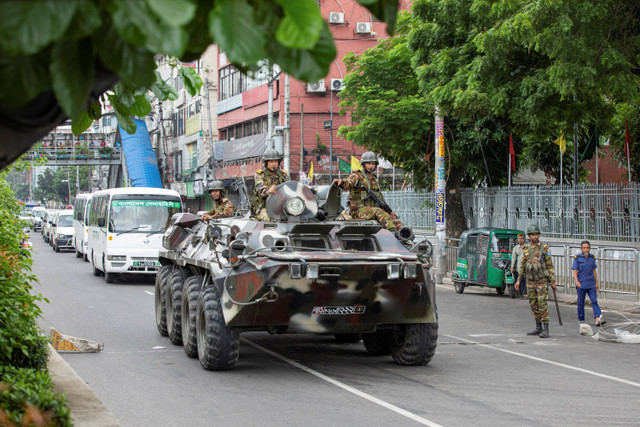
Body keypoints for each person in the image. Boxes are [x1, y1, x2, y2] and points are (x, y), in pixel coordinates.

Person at [333, 151, 404, 233]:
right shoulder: (357, 175)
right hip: (358, 211)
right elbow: (348, 183)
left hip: (371, 210)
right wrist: (341, 182)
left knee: (394, 218)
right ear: (364, 164)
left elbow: (380, 197)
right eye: (368, 163)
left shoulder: (374, 178)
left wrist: (390, 211)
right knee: (378, 212)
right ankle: (394, 232)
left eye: (373, 164)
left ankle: (404, 234)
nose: (371, 166)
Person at [515, 224, 556, 338]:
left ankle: (546, 329)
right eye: (532, 234)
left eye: (536, 234)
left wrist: (552, 281)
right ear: (528, 236)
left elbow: (549, 266)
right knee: (533, 305)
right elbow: (522, 266)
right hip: (530, 282)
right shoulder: (527, 249)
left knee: (543, 304)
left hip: (541, 281)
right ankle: (538, 327)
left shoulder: (544, 248)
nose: (534, 236)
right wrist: (518, 280)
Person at [572, 240, 605, 327]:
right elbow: (575, 271)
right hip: (581, 283)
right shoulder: (577, 258)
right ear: (581, 249)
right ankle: (581, 319)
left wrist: (596, 283)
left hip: (591, 283)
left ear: (589, 248)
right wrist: (576, 281)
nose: (586, 250)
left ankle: (598, 318)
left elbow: (594, 270)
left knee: (594, 300)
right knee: (581, 302)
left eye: (587, 248)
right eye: (584, 248)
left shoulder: (592, 258)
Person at [252, 149, 290, 221]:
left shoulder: (283, 175)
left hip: (281, 206)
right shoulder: (260, 175)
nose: (273, 164)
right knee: (270, 218)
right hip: (264, 206)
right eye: (271, 161)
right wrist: (268, 191)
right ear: (266, 163)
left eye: (275, 161)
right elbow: (261, 190)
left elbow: (289, 188)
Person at [510, 233, 527, 298]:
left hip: (527, 267)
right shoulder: (516, 248)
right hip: (519, 267)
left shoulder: (527, 247)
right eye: (518, 239)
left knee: (527, 281)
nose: (519, 240)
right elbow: (513, 258)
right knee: (521, 281)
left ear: (523, 239)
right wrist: (512, 266)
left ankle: (526, 293)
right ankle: (523, 294)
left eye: (521, 239)